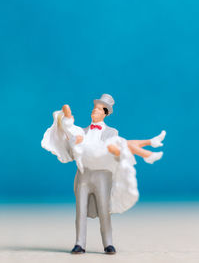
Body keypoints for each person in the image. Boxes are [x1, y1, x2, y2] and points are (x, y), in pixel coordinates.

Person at [41, 94, 166, 255]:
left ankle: (108, 243)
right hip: (84, 174)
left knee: (104, 210)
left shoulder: (112, 132)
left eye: (99, 109)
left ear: (105, 113)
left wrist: (114, 153)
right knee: (80, 210)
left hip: (102, 176)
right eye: (95, 107)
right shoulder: (82, 131)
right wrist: (75, 140)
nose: (95, 110)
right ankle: (79, 243)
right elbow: (73, 147)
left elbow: (112, 151)